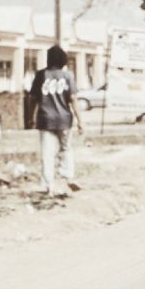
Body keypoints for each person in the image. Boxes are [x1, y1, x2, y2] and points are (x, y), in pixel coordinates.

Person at [28, 44, 83, 197]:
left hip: (45, 119)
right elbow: (73, 99)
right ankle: (68, 176)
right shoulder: (68, 76)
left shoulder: (41, 75)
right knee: (66, 149)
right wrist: (80, 121)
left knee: (47, 152)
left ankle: (48, 185)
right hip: (65, 119)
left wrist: (31, 117)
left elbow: (32, 99)